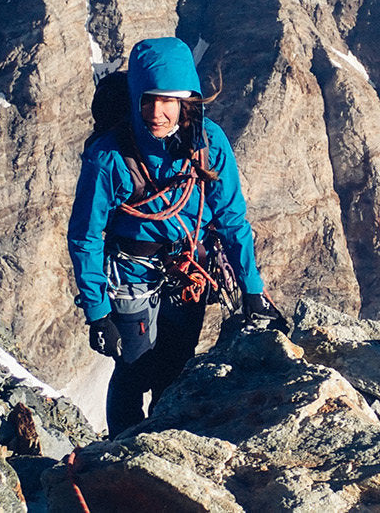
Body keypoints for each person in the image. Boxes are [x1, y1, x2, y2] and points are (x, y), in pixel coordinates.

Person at [67, 36, 274, 438]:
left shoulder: (208, 142)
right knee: (133, 367)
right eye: (148, 99)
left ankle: (163, 447)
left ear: (186, 101)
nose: (157, 112)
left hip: (187, 269)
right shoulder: (109, 156)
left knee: (175, 366)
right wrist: (97, 312)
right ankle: (122, 449)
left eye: (168, 101)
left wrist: (252, 288)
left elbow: (232, 217)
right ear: (134, 98)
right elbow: (86, 237)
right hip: (130, 274)